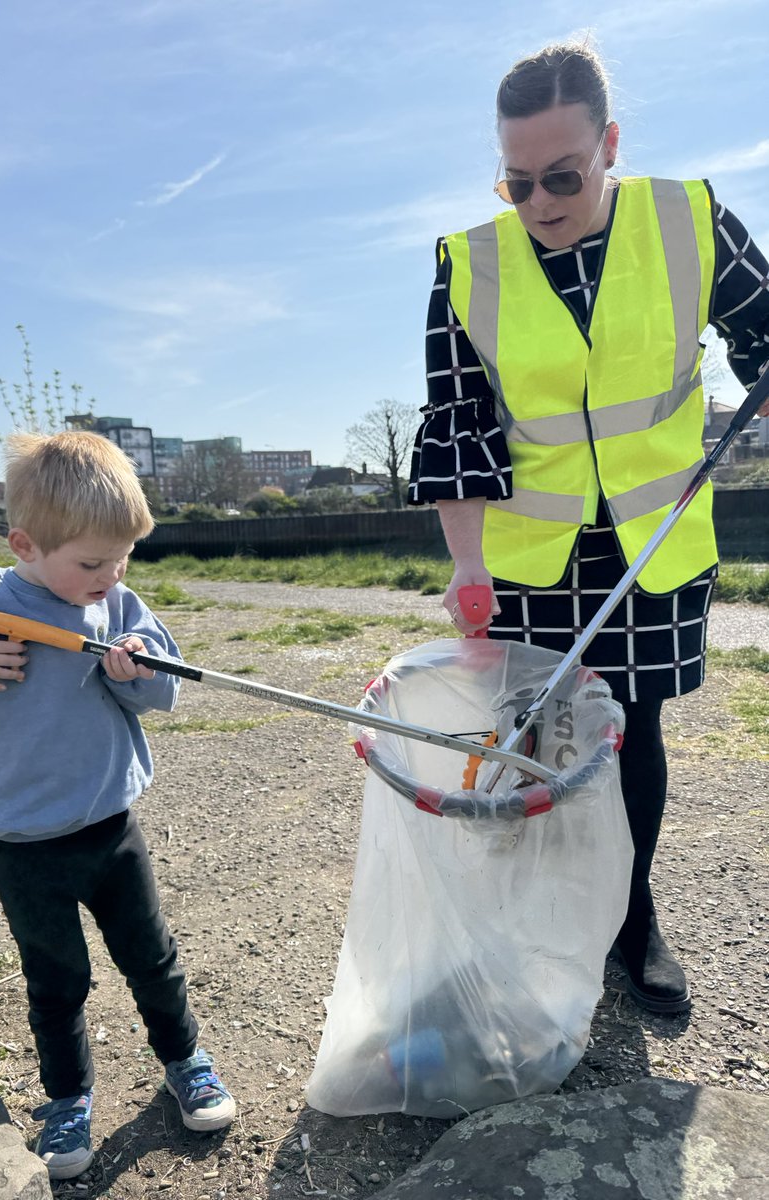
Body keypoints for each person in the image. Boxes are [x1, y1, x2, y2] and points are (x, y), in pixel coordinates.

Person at [408, 40, 769, 1016]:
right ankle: (541, 915)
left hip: (654, 543)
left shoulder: (688, 218)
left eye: (562, 176)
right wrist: (468, 567)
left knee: (633, 732)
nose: (539, 205)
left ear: (610, 144)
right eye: (515, 183)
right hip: (532, 556)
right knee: (545, 741)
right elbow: (456, 430)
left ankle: (631, 918)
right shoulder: (468, 266)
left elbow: (763, 328)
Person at [0, 431, 236, 1181]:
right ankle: (67, 1099)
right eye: (91, 562)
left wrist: (132, 673)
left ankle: (185, 1059)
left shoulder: (120, 606)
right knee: (56, 980)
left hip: (110, 827)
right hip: (22, 845)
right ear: (26, 544)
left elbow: (161, 692)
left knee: (152, 958)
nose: (110, 576)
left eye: (121, 558)